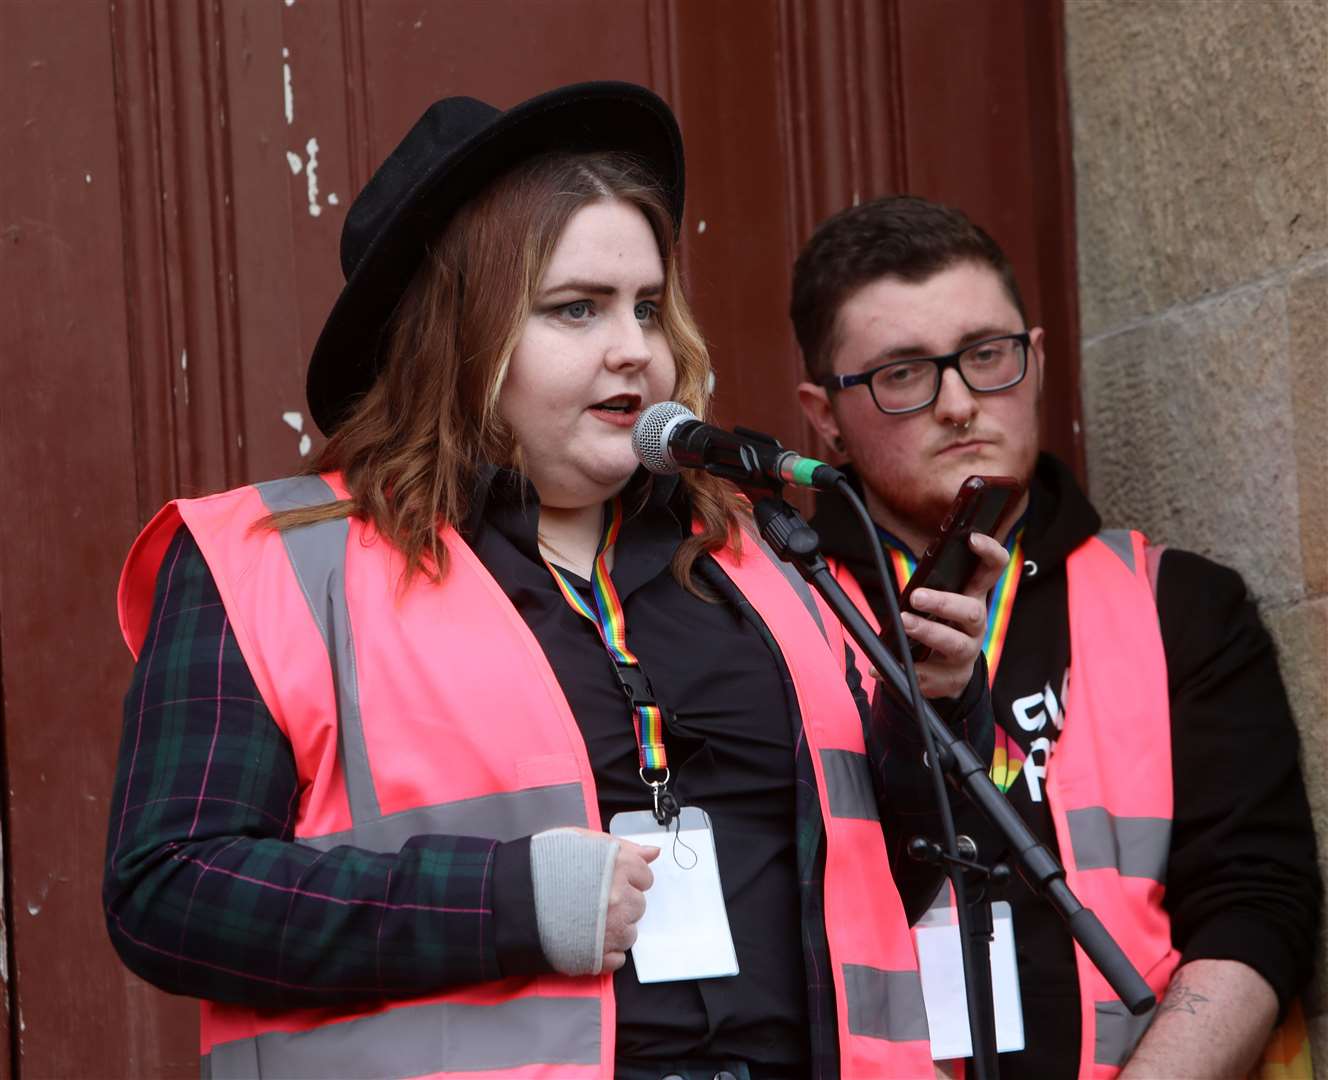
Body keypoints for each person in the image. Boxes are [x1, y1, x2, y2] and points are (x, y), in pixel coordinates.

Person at [104, 85, 1004, 1080]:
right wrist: (507, 901)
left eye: (648, 309)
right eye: (575, 309)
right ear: (456, 341)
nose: (634, 348)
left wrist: (937, 711)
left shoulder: (769, 560)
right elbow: (169, 892)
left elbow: (902, 880)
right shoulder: (269, 561)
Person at [791, 194, 1321, 1079]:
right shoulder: (776, 615)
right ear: (823, 416)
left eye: (986, 356)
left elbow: (1256, 904)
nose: (959, 403)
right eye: (903, 374)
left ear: (1035, 362)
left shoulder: (1176, 603)